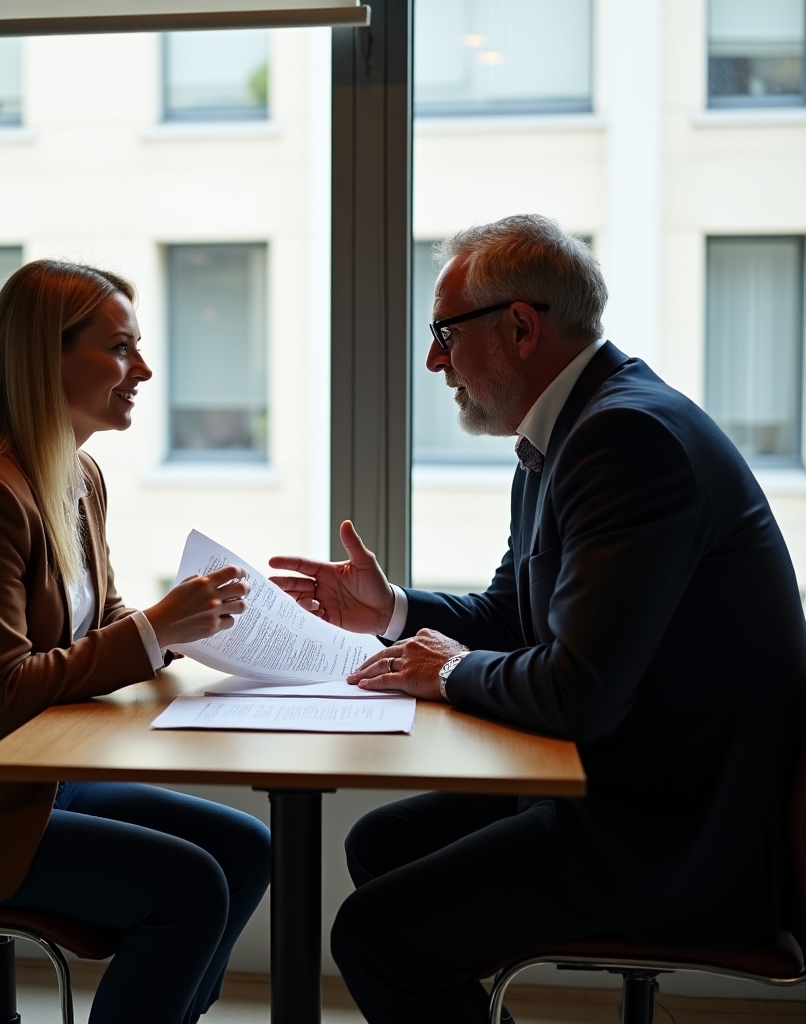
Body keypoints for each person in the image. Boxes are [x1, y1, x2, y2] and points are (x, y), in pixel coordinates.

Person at [269, 215, 806, 1023]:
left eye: (444, 332)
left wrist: (445, 670)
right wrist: (392, 612)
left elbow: (578, 691)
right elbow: (514, 616)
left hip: (676, 832)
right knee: (379, 845)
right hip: (627, 783)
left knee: (376, 939)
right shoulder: (567, 432)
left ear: (520, 327)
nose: (433, 360)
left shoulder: (625, 438)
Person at [0, 259, 271, 1024]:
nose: (142, 368)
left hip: (34, 780)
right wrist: (156, 629)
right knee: (190, 887)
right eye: (119, 348)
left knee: (245, 848)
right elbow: (1, 695)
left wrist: (195, 631)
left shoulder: (77, 475)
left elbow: (101, 624)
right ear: (45, 357)